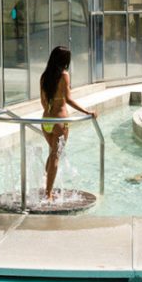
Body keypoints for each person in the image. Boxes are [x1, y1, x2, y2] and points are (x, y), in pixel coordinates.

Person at [40, 46, 96, 201]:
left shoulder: (44, 76)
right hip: (60, 121)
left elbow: (43, 101)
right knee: (55, 156)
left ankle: (45, 186)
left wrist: (49, 112)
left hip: (46, 120)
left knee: (53, 153)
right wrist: (86, 111)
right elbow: (69, 99)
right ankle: (48, 193)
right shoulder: (64, 75)